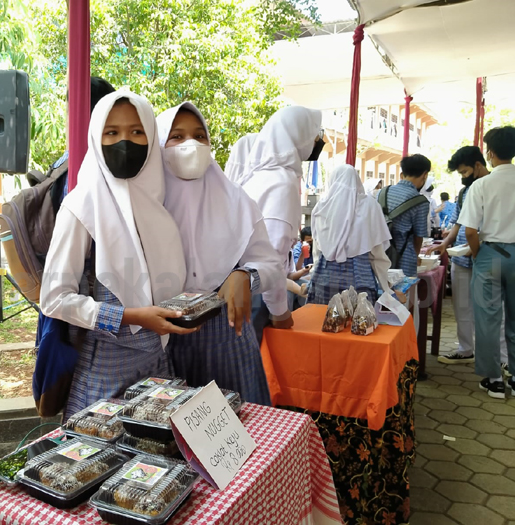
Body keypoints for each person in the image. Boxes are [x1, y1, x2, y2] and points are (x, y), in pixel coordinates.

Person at [41, 90, 196, 419]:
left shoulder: (158, 204)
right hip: (105, 373)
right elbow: (54, 298)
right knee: (101, 466)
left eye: (137, 132)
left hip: (159, 367)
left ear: (151, 138)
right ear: (97, 138)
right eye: (112, 132)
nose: (124, 142)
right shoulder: (82, 205)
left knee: (157, 466)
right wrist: (131, 317)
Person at [156, 102, 282, 405]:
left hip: (225, 336)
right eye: (177, 136)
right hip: (161, 336)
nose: (191, 145)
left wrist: (245, 275)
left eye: (200, 136)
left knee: (239, 436)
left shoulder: (236, 200)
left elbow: (271, 265)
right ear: (159, 144)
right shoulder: (147, 201)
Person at [237, 106, 324, 337]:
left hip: (243, 289)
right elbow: (271, 256)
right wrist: (279, 312)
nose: (318, 141)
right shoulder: (281, 182)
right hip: (258, 296)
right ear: (300, 134)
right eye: (316, 134)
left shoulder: (257, 175)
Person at [429, 146, 508, 369]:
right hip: (462, 257)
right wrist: (445, 244)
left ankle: (501, 358)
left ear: (478, 165)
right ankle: (466, 350)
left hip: (489, 256)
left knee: (493, 308)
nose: (463, 178)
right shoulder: (465, 192)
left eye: (465, 172)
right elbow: (458, 221)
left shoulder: (497, 186)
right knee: (461, 305)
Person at [459, 126, 515, 398]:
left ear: (490, 153)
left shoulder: (482, 185)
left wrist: (479, 253)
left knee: (488, 318)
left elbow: (470, 231)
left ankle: (494, 380)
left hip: (491, 256)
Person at [306, 165, 392, 304]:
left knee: (326, 322)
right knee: (359, 323)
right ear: (356, 180)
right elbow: (376, 254)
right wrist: (387, 288)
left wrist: (312, 279)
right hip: (359, 282)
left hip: (323, 279)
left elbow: (317, 251)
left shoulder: (321, 206)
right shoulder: (369, 205)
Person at [382, 154, 431, 276]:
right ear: (425, 175)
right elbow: (418, 237)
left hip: (380, 255)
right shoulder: (420, 201)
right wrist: (414, 257)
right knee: (402, 294)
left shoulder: (382, 192)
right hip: (404, 258)